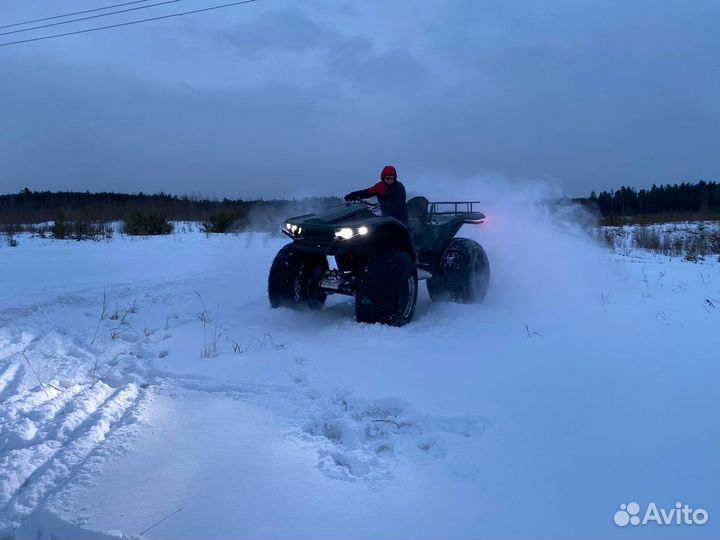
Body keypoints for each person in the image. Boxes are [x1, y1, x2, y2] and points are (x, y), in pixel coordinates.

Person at [344, 165, 409, 225]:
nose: (390, 180)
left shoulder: (399, 187)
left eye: (392, 178)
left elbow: (399, 203)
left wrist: (388, 211)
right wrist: (352, 195)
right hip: (386, 217)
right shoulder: (379, 187)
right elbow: (366, 192)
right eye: (388, 178)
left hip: (400, 217)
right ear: (383, 177)